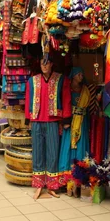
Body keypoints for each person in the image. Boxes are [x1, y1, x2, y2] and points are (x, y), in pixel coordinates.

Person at [25, 58, 71, 200]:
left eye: (47, 63)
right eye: (42, 63)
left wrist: (66, 119)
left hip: (53, 121)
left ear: (51, 64)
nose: (44, 66)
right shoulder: (33, 81)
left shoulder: (61, 79)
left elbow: (66, 98)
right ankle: (39, 185)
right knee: (38, 152)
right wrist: (28, 118)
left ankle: (51, 186)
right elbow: (28, 99)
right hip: (37, 121)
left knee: (52, 153)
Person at [58, 67, 90, 188]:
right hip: (70, 121)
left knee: (81, 144)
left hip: (82, 121)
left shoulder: (85, 90)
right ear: (73, 76)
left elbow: (88, 107)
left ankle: (80, 174)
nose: (81, 76)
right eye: (78, 74)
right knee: (68, 145)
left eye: (82, 74)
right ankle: (67, 175)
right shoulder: (67, 89)